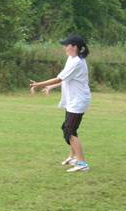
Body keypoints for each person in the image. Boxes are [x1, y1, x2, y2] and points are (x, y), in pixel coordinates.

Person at [29, 34, 91, 172]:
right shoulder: (72, 59)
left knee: (69, 130)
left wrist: (38, 84)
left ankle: (82, 163)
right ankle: (74, 156)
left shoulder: (77, 62)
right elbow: (65, 78)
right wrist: (51, 87)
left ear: (74, 47)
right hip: (73, 100)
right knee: (67, 129)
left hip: (78, 100)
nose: (64, 47)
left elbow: (58, 78)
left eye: (67, 45)